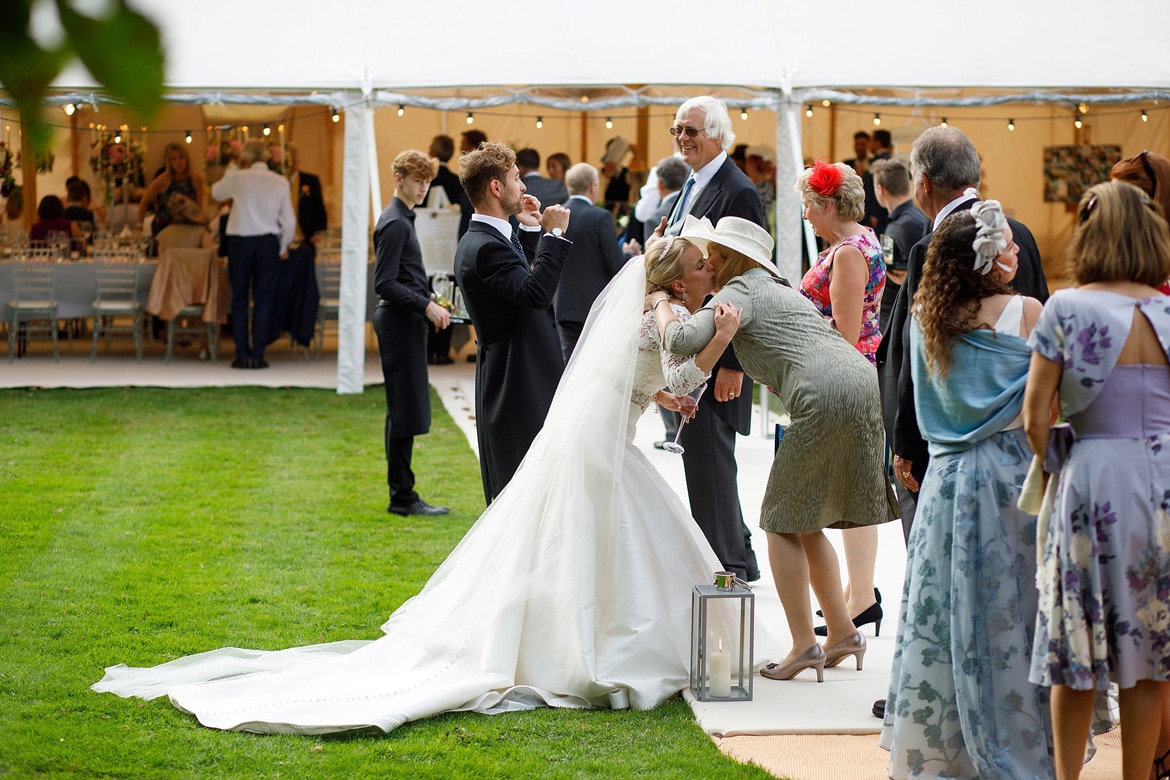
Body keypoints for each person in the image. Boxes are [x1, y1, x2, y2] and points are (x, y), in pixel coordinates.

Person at [91, 243, 754, 735]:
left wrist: (661, 391)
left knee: (603, 529)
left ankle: (598, 630)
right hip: (599, 437)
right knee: (609, 527)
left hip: (601, 428)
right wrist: (720, 337)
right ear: (675, 278)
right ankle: (594, 646)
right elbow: (682, 365)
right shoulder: (668, 308)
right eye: (702, 268)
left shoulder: (651, 304)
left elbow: (637, 372)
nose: (710, 275)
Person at [652, 215, 897, 683]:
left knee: (779, 522)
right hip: (863, 385)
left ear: (731, 258)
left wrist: (661, 301)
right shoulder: (777, 285)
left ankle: (805, 645)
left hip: (822, 396)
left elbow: (679, 340)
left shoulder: (738, 289)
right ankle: (843, 632)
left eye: (714, 254)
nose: (708, 261)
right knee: (805, 522)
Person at [879, 200, 1056, 777]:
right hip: (1012, 477)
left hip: (948, 481)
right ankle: (1021, 740)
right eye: (1006, 244)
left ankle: (944, 748)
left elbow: (915, 393)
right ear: (985, 259)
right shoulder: (1028, 313)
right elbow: (1051, 401)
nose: (1014, 251)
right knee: (1013, 608)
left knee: (944, 611)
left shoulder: (927, 310)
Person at [1024, 180, 1170, 780]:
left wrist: (1060, 457)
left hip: (1090, 478)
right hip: (1162, 480)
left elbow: (1036, 415)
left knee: (1073, 648)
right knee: (1151, 650)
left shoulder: (1068, 307)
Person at [654, 95, 765, 583]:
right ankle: (741, 553)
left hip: (719, 352)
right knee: (704, 463)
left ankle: (729, 569)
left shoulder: (738, 191)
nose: (682, 138)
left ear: (717, 133)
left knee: (711, 465)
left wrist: (734, 362)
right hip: (692, 343)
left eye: (691, 130)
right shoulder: (690, 186)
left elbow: (748, 278)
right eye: (677, 129)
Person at [795, 160, 886, 639]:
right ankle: (860, 598)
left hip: (844, 381)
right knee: (854, 494)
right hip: (856, 379)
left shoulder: (848, 253)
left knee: (850, 495)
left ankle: (860, 598)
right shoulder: (860, 241)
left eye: (809, 205)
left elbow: (846, 334)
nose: (805, 215)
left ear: (828, 204)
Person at [453, 142, 572, 504]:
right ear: (495, 187)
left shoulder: (490, 239)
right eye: (516, 178)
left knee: (534, 482)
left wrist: (533, 232)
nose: (523, 187)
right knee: (522, 486)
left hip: (521, 371)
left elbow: (519, 287)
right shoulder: (484, 247)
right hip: (517, 379)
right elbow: (536, 295)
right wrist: (554, 235)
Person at [372, 150, 451, 518]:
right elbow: (384, 283)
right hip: (398, 323)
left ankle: (403, 493)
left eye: (427, 181)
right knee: (402, 411)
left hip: (405, 321)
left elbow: (399, 278)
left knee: (404, 410)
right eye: (417, 180)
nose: (423, 188)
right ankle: (402, 497)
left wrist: (429, 299)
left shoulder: (403, 219)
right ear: (399, 178)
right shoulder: (395, 223)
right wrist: (425, 305)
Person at [210, 138, 296, 370]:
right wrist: (282, 246)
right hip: (267, 242)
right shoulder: (280, 181)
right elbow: (289, 221)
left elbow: (216, 193)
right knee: (263, 299)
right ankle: (258, 355)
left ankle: (241, 354)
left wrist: (232, 168)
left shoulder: (238, 178)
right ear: (268, 157)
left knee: (238, 299)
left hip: (240, 241)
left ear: (245, 157)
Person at [554, 163, 625, 361]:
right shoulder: (600, 217)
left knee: (568, 363)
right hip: (594, 305)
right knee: (594, 363)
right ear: (593, 186)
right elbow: (615, 263)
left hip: (563, 304)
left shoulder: (556, 215)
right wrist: (630, 255)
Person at [871, 158, 928, 335]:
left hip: (904, 318)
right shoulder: (914, 217)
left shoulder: (902, 226)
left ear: (880, 189)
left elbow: (908, 274)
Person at [424, 134, 462, 365]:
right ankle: (443, 351)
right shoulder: (458, 182)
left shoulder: (426, 181)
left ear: (434, 153)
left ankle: (428, 350)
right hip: (451, 250)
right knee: (449, 300)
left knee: (428, 298)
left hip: (429, 252)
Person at [138, 142, 206, 251]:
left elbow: (199, 206)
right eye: (174, 159)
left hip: (187, 226)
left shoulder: (196, 179)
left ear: (187, 159)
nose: (178, 162)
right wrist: (139, 226)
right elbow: (144, 202)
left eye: (181, 158)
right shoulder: (163, 180)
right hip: (164, 226)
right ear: (169, 162)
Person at [284, 142, 328, 245]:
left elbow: (319, 207)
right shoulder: (276, 183)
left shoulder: (311, 181)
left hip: (305, 237)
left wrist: (319, 231)